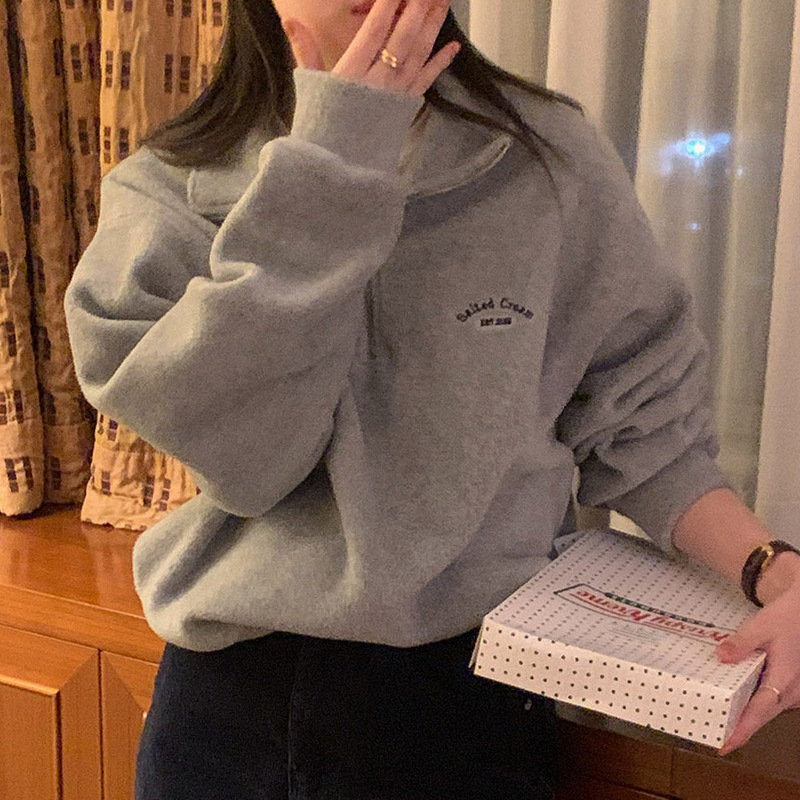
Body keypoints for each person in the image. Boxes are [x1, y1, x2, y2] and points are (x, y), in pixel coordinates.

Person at [64, 1, 800, 798]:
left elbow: (645, 426)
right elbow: (252, 460)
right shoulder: (173, 185)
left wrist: (772, 571)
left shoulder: (543, 161)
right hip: (238, 701)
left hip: (476, 693)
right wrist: (333, 165)